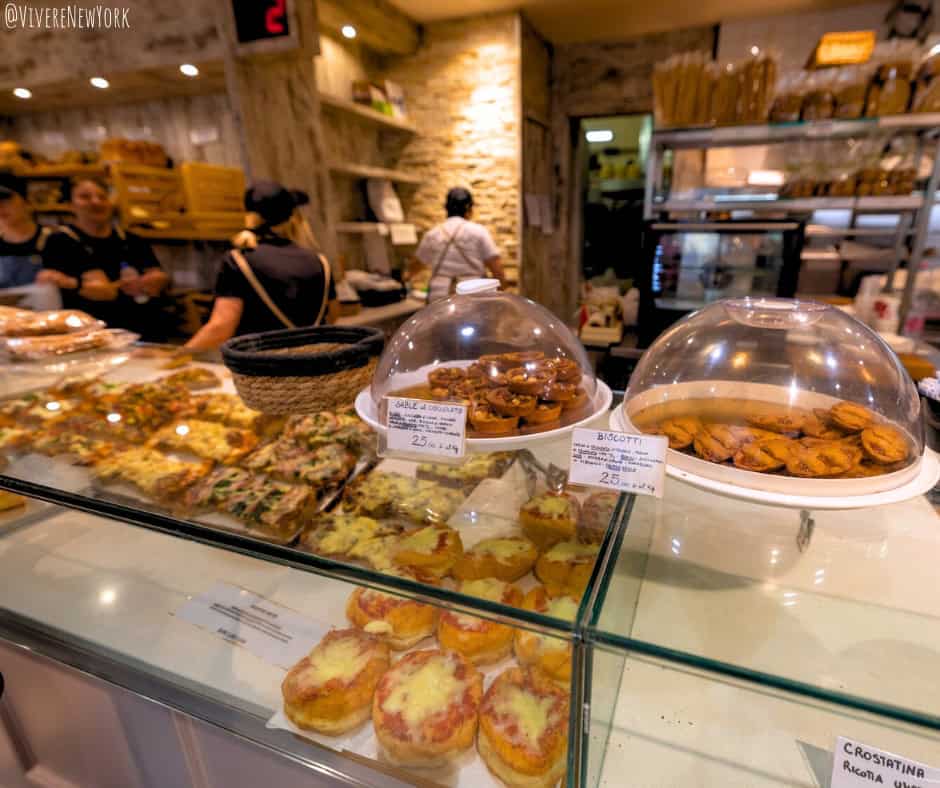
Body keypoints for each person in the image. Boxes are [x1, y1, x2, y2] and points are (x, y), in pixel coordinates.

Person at [184, 181, 337, 351]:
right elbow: (333, 316)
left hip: (263, 370)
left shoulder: (239, 259)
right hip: (313, 365)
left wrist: (177, 356)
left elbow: (221, 328)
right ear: (293, 216)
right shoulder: (320, 261)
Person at [41, 176, 171, 340]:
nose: (96, 202)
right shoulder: (60, 241)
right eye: (85, 197)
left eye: (102, 197)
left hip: (144, 329)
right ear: (69, 205)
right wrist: (113, 287)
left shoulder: (131, 239)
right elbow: (102, 292)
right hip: (90, 333)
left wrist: (154, 280)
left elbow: (158, 274)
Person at [414, 187, 505, 302]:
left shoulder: (433, 234)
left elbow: (416, 265)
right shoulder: (479, 232)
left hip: (439, 297)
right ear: (468, 208)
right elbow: (497, 270)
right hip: (472, 294)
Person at [0, 173, 75, 295]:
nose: (0, 206)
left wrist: (68, 282)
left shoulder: (58, 239)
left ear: (26, 202)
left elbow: (106, 291)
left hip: (55, 313)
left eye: (6, 199)